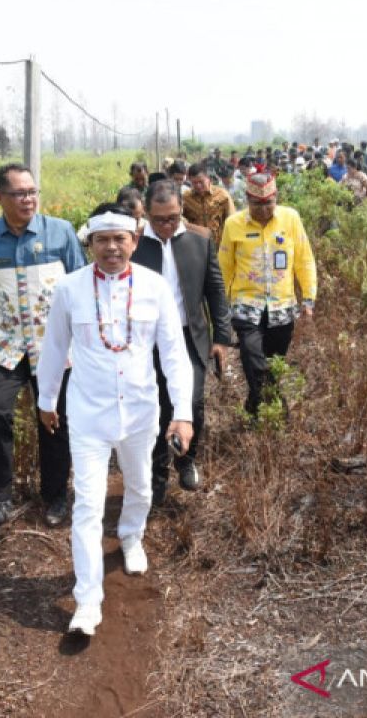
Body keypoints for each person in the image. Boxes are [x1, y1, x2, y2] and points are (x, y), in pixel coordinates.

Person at [37, 204, 195, 636]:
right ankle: (87, 602)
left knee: (140, 484)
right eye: (102, 239)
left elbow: (174, 355)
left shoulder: (155, 287)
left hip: (142, 410)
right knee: (87, 504)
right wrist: (46, 399)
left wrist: (182, 413)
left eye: (119, 238)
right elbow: (53, 349)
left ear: (135, 239)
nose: (111, 247)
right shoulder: (69, 290)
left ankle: (131, 535)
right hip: (88, 413)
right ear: (90, 243)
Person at [0, 163, 87, 528]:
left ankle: (55, 496)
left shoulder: (60, 232)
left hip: (53, 345)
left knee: (54, 419)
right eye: (19, 193)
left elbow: (79, 282)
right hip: (8, 345)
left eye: (32, 191)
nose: (28, 199)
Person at [132, 180, 233, 506]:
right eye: (159, 219)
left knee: (192, 403)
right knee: (155, 406)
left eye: (173, 217)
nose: (167, 225)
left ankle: (186, 461)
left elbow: (215, 291)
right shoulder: (133, 244)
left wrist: (221, 338)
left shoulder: (199, 240)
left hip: (190, 338)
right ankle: (157, 474)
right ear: (146, 213)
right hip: (146, 342)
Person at [218, 173, 317, 417]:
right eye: (257, 205)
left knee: (273, 364)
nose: (263, 210)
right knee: (253, 357)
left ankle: (255, 411)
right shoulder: (234, 224)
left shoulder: (290, 218)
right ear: (247, 201)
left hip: (282, 307)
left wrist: (308, 297)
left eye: (268, 203)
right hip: (245, 305)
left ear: (276, 198)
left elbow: (304, 259)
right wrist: (219, 308)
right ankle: (278, 412)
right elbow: (223, 269)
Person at [183, 163, 235, 248]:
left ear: (209, 179)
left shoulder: (222, 194)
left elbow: (232, 218)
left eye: (201, 182)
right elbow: (179, 218)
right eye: (194, 183)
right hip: (196, 245)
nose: (198, 186)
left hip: (220, 244)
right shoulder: (186, 198)